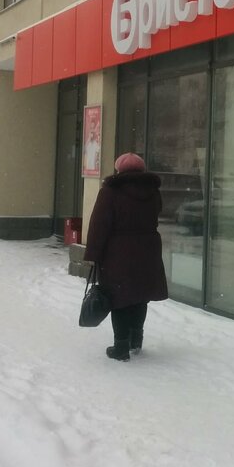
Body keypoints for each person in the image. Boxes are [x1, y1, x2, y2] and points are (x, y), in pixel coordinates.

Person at [84, 152, 168, 361]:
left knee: (119, 298)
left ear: (119, 169)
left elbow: (99, 225)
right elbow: (156, 214)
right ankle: (135, 341)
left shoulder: (111, 191)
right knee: (140, 296)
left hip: (118, 253)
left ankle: (120, 347)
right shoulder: (153, 191)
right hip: (147, 251)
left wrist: (93, 253)